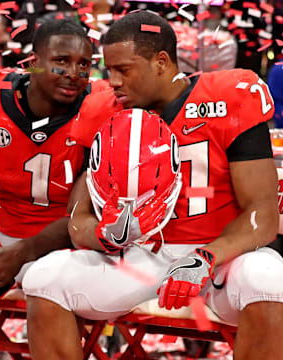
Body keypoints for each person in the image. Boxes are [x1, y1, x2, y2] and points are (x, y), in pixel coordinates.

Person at [22, 10, 283, 360]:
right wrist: (101, 234)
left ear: (161, 62)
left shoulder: (228, 96)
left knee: (268, 279)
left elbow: (262, 217)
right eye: (109, 70)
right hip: (144, 256)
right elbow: (77, 220)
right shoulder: (104, 110)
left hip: (221, 257)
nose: (112, 81)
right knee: (44, 278)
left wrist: (204, 258)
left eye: (123, 70)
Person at [0, 18, 116, 330]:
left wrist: (21, 254)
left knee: (50, 278)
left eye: (84, 64)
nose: (74, 73)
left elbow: (89, 218)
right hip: (7, 240)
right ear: (34, 63)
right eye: (61, 61)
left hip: (75, 250)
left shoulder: (103, 107)